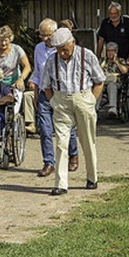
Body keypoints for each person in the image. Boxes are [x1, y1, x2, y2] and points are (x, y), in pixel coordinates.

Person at [41, 28, 105, 196]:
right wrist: (54, 101)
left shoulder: (87, 55)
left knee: (87, 141)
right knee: (61, 142)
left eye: (65, 48)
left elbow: (100, 80)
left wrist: (91, 100)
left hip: (83, 98)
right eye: (58, 49)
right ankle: (61, 183)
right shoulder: (51, 60)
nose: (62, 52)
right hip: (61, 102)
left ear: (73, 42)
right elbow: (46, 85)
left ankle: (92, 177)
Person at [29, 19, 79, 177]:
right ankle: (49, 162)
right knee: (45, 129)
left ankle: (73, 154)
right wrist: (36, 94)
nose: (44, 38)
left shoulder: (62, 48)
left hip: (61, 93)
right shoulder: (38, 49)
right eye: (41, 35)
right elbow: (37, 72)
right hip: (45, 93)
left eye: (47, 35)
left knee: (67, 127)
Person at [0, 25, 32, 119]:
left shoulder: (17, 50)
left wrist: (21, 79)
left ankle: (11, 111)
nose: (3, 43)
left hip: (12, 81)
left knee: (14, 96)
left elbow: (27, 67)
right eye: (0, 40)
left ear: (10, 39)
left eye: (5, 40)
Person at [96, 2, 129, 66]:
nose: (113, 16)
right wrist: (97, 57)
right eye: (111, 14)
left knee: (128, 74)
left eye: (115, 13)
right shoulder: (105, 23)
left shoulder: (127, 22)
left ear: (119, 12)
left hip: (126, 57)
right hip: (111, 58)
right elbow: (101, 40)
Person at [99, 42, 129, 119]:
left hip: (116, 83)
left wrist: (116, 62)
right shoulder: (102, 61)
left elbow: (125, 71)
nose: (110, 53)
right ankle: (94, 109)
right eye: (108, 51)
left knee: (111, 85)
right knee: (98, 87)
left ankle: (112, 109)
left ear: (116, 52)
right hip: (103, 82)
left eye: (112, 51)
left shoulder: (121, 60)